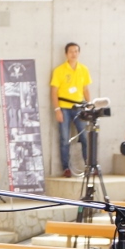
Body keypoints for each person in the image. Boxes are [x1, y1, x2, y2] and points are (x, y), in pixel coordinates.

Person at [50, 42, 91, 178]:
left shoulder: (83, 69)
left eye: (76, 51)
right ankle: (66, 168)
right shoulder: (59, 70)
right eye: (71, 51)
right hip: (64, 107)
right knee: (64, 138)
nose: (74, 54)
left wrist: (89, 105)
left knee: (85, 137)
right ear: (66, 54)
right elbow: (54, 91)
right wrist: (57, 109)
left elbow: (85, 89)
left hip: (79, 107)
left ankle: (89, 165)